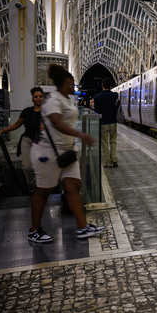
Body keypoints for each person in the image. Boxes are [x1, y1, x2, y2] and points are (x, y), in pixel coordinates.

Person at [28, 64, 105, 243]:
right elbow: (55, 122)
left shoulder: (67, 99)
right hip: (47, 153)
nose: (73, 86)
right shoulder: (54, 99)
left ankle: (83, 227)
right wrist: (80, 134)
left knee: (73, 187)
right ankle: (34, 230)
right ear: (63, 84)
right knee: (43, 191)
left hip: (66, 152)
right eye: (70, 84)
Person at [0, 87, 44, 191]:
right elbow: (16, 124)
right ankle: (30, 183)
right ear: (32, 98)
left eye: (40, 96)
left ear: (43, 98)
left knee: (41, 164)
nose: (38, 98)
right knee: (27, 166)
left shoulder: (47, 112)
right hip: (27, 140)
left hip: (41, 142)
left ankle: (40, 182)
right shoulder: (27, 111)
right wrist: (3, 131)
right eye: (36, 97)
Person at [94, 78, 119, 168]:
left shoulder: (97, 97)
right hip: (113, 123)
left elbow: (96, 112)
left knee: (104, 143)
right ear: (110, 86)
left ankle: (108, 162)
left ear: (102, 86)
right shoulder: (115, 95)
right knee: (113, 141)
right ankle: (115, 159)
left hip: (103, 123)